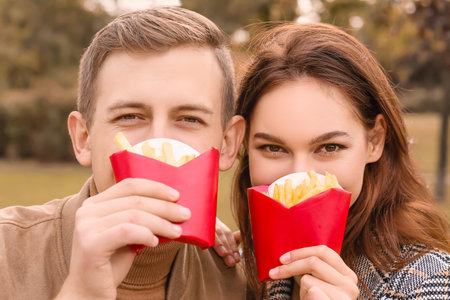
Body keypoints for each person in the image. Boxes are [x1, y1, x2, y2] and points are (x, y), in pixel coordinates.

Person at [0, 6, 249, 299]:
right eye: (130, 116)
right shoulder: (6, 254)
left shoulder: (241, 284)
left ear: (228, 144)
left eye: (189, 119)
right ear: (83, 139)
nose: (157, 145)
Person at [233, 22, 450, 299]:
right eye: (273, 148)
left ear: (375, 141)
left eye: (329, 147)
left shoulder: (429, 282)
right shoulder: (236, 271)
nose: (300, 177)